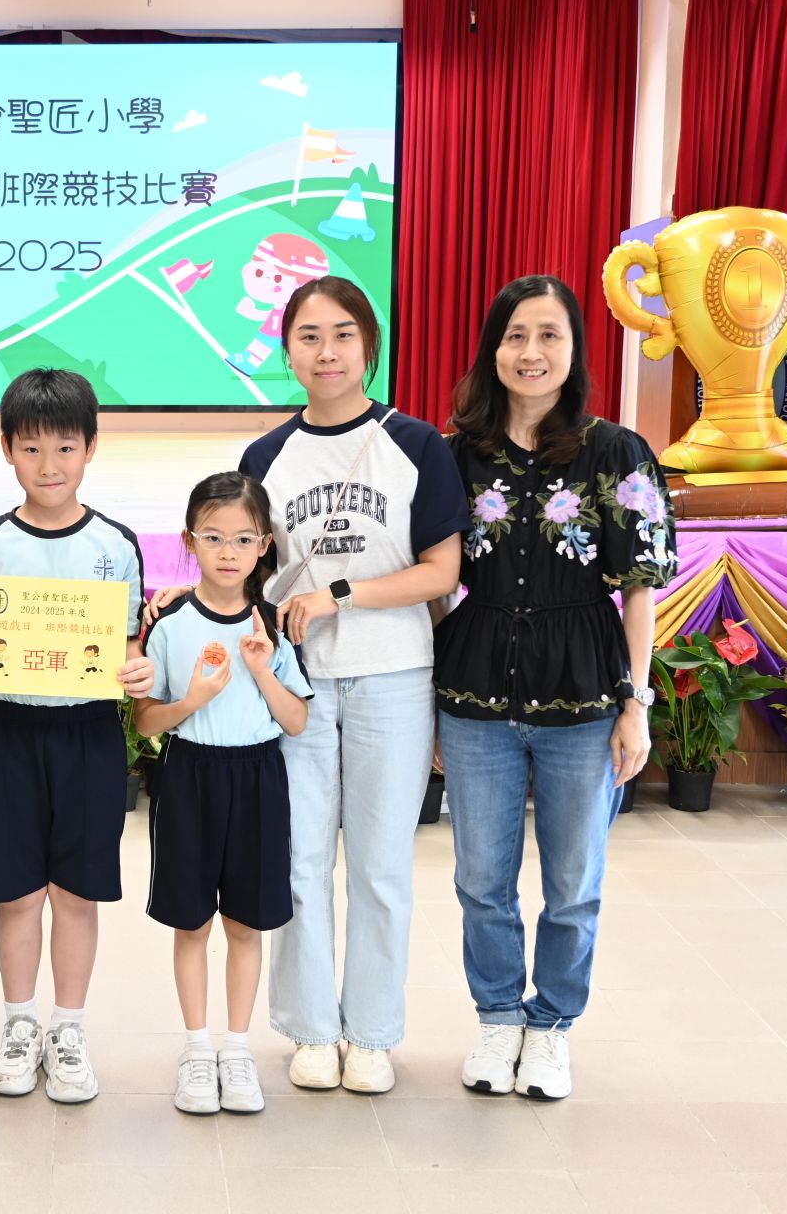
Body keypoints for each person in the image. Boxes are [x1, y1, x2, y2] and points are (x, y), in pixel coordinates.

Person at [156, 275, 467, 1092]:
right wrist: (184, 599)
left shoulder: (417, 445)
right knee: (298, 860)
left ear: (370, 345)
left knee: (380, 866)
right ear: (287, 349)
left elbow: (441, 571)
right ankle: (310, 1030)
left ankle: (373, 1033)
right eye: (308, 337)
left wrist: (340, 594)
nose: (326, 352)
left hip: (393, 675)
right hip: (293, 685)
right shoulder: (266, 457)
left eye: (342, 335)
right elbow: (244, 565)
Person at [437, 275, 676, 1101]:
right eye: (515, 336)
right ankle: (498, 1016)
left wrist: (636, 703)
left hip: (586, 694)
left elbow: (640, 588)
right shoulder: (456, 454)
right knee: (481, 880)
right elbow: (435, 578)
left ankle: (551, 1027)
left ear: (573, 350)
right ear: (492, 349)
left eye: (549, 335)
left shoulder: (617, 452)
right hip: (475, 692)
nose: (531, 353)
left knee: (573, 885)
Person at [0, 368, 152, 1104]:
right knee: (19, 893)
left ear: (91, 447)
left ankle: (69, 1030)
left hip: (89, 737)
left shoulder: (117, 544)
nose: (49, 465)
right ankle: (20, 1025)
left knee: (77, 893)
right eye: (31, 448)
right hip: (8, 735)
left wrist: (138, 672)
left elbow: (128, 648)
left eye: (65, 447)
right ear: (6, 450)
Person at [135, 472, 311, 1115]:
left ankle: (237, 1051)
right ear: (189, 541)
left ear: (264, 545)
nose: (228, 552)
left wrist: (261, 669)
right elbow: (146, 723)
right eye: (212, 537)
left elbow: (296, 720)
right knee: (191, 922)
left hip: (258, 778)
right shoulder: (169, 624)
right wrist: (192, 700)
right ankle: (196, 1049)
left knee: (245, 923)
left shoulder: (273, 624)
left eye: (243, 538)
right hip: (189, 777)